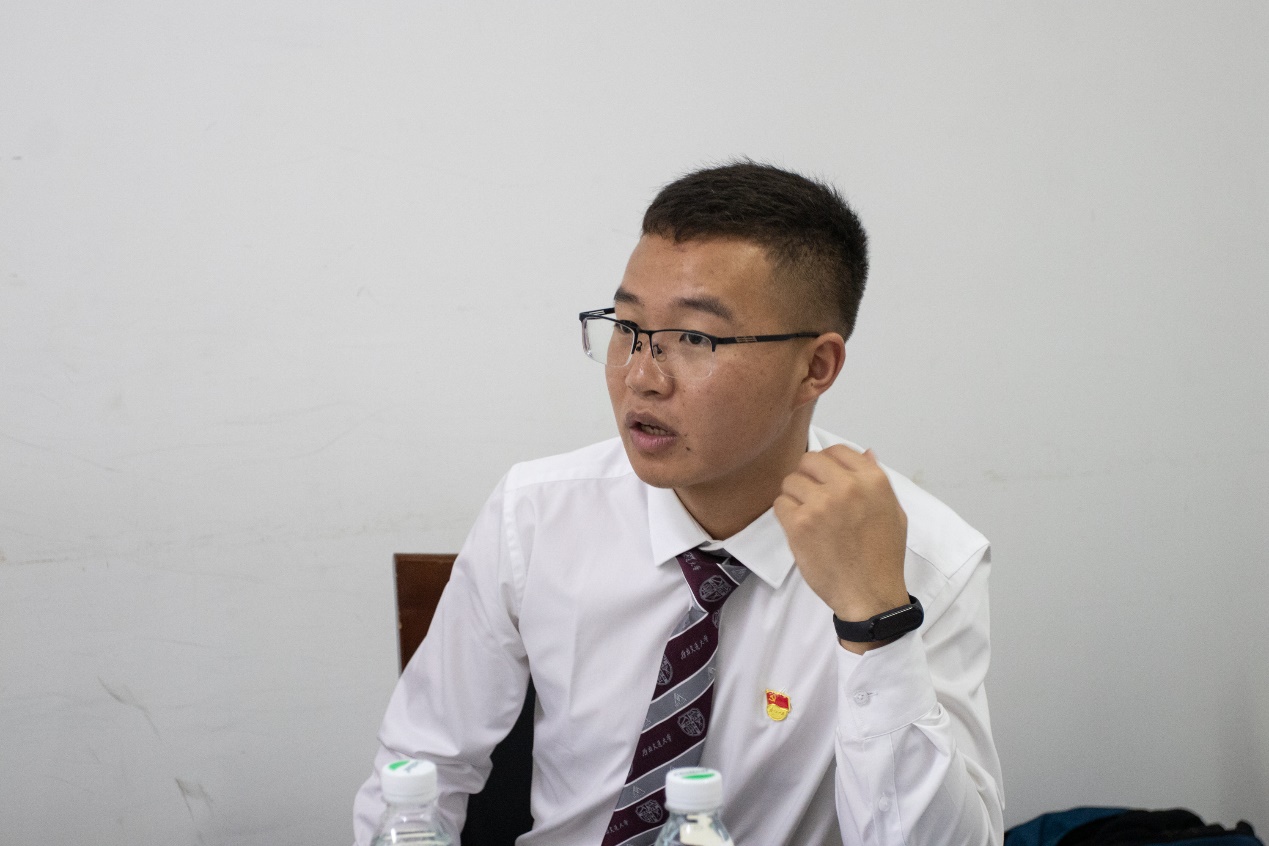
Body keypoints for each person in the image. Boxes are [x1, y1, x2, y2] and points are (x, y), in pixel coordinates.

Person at [353, 162, 1004, 846]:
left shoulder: (927, 560)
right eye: (627, 326)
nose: (641, 376)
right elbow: (420, 770)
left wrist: (877, 623)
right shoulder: (537, 514)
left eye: (694, 338)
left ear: (815, 367)